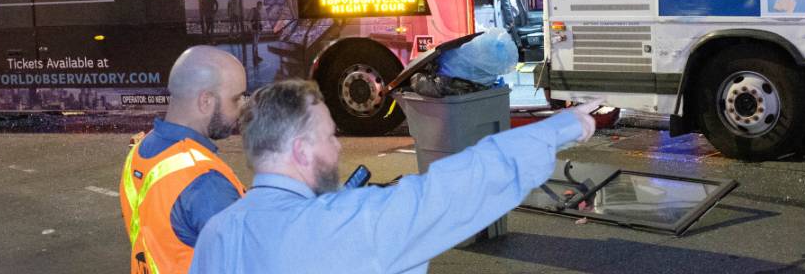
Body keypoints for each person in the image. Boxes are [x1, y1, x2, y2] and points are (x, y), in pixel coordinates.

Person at [189, 79, 601, 274]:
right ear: (300, 150)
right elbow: (459, 186)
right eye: (330, 136)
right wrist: (560, 127)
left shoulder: (218, 233)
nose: (339, 148)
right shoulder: (347, 224)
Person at [120, 46, 248, 274]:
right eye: (236, 99)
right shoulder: (205, 182)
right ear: (206, 101)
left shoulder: (141, 150)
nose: (241, 108)